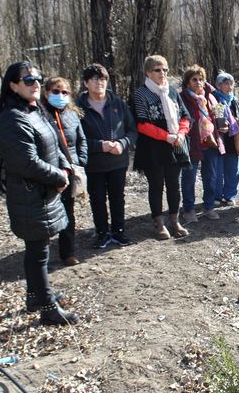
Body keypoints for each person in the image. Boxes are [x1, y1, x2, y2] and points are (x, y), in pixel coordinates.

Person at [0, 61, 79, 326]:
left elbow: (54, 144)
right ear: (13, 85)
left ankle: (35, 297)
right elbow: (26, 162)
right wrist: (58, 176)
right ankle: (46, 308)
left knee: (38, 250)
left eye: (37, 79)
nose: (35, 84)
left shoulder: (34, 110)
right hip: (31, 195)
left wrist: (65, 167)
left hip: (44, 192)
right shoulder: (11, 118)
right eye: (28, 80)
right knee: (38, 251)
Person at [76, 64, 136, 249]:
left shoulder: (118, 103)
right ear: (86, 83)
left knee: (118, 197)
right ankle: (102, 233)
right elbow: (76, 139)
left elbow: (132, 131)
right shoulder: (78, 108)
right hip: (94, 163)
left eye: (102, 79)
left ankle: (118, 232)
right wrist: (99, 145)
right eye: (94, 79)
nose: (99, 82)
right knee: (97, 199)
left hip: (118, 162)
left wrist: (123, 143)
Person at [132, 55, 192, 239]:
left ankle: (174, 220)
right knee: (156, 185)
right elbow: (141, 124)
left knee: (174, 186)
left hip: (176, 146)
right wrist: (167, 136)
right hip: (153, 148)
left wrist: (181, 134)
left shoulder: (172, 91)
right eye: (158, 70)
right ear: (148, 72)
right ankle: (158, 222)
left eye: (165, 69)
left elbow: (185, 116)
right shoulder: (140, 94)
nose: (163, 73)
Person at [43, 76, 88, 265]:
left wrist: (81, 160)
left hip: (71, 172)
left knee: (68, 213)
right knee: (46, 214)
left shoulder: (72, 114)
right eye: (55, 91)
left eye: (64, 92)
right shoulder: (39, 114)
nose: (60, 95)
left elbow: (81, 140)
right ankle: (41, 253)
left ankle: (67, 252)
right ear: (46, 93)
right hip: (48, 172)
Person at [180, 65, 225, 222]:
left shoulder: (211, 97)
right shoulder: (182, 98)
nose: (199, 82)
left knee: (211, 177)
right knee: (189, 178)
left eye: (201, 79)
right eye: (194, 79)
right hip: (192, 144)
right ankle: (189, 210)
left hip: (211, 143)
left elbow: (220, 114)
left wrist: (222, 125)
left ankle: (208, 207)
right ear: (187, 82)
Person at [211, 72, 239, 207]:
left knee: (233, 170)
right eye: (226, 83)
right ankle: (217, 196)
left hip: (234, 141)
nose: (229, 86)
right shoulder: (213, 99)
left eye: (231, 83)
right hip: (219, 140)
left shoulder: (235, 101)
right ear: (218, 85)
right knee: (217, 171)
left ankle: (230, 195)